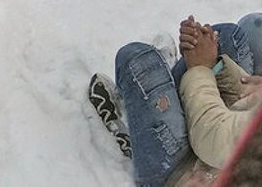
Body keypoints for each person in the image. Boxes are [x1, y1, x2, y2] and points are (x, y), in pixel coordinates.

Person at [88, 14, 262, 185]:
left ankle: (135, 122)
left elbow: (211, 139)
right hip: (222, 133)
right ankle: (163, 98)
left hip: (191, 171)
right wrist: (215, 64)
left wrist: (200, 67)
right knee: (230, 35)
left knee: (137, 60)